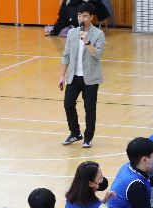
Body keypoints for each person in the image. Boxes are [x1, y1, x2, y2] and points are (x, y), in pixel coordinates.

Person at [59, 3, 105, 148]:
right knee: (68, 104)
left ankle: (88, 137)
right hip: (73, 77)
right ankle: (75, 133)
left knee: (89, 108)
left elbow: (97, 54)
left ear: (91, 17)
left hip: (90, 78)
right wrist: (62, 76)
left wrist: (87, 41)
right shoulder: (72, 33)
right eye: (79, 15)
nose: (82, 18)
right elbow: (66, 55)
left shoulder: (98, 34)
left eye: (85, 16)